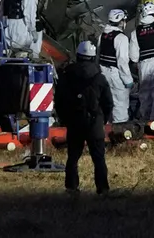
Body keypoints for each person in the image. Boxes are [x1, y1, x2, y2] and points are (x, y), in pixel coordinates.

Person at [55, 40, 112, 195]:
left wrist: (65, 119)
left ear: (78, 56)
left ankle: (71, 187)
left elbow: (58, 101)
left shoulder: (67, 76)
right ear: (93, 57)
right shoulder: (99, 77)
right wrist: (102, 119)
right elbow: (108, 103)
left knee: (73, 157)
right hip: (94, 121)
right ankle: (103, 188)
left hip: (74, 121)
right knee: (99, 158)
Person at [99, 9, 134, 124]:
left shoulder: (103, 35)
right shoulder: (121, 38)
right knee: (120, 105)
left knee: (106, 103)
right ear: (120, 21)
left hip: (103, 73)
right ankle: (120, 133)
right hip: (116, 75)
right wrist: (128, 80)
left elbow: (98, 56)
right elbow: (122, 62)